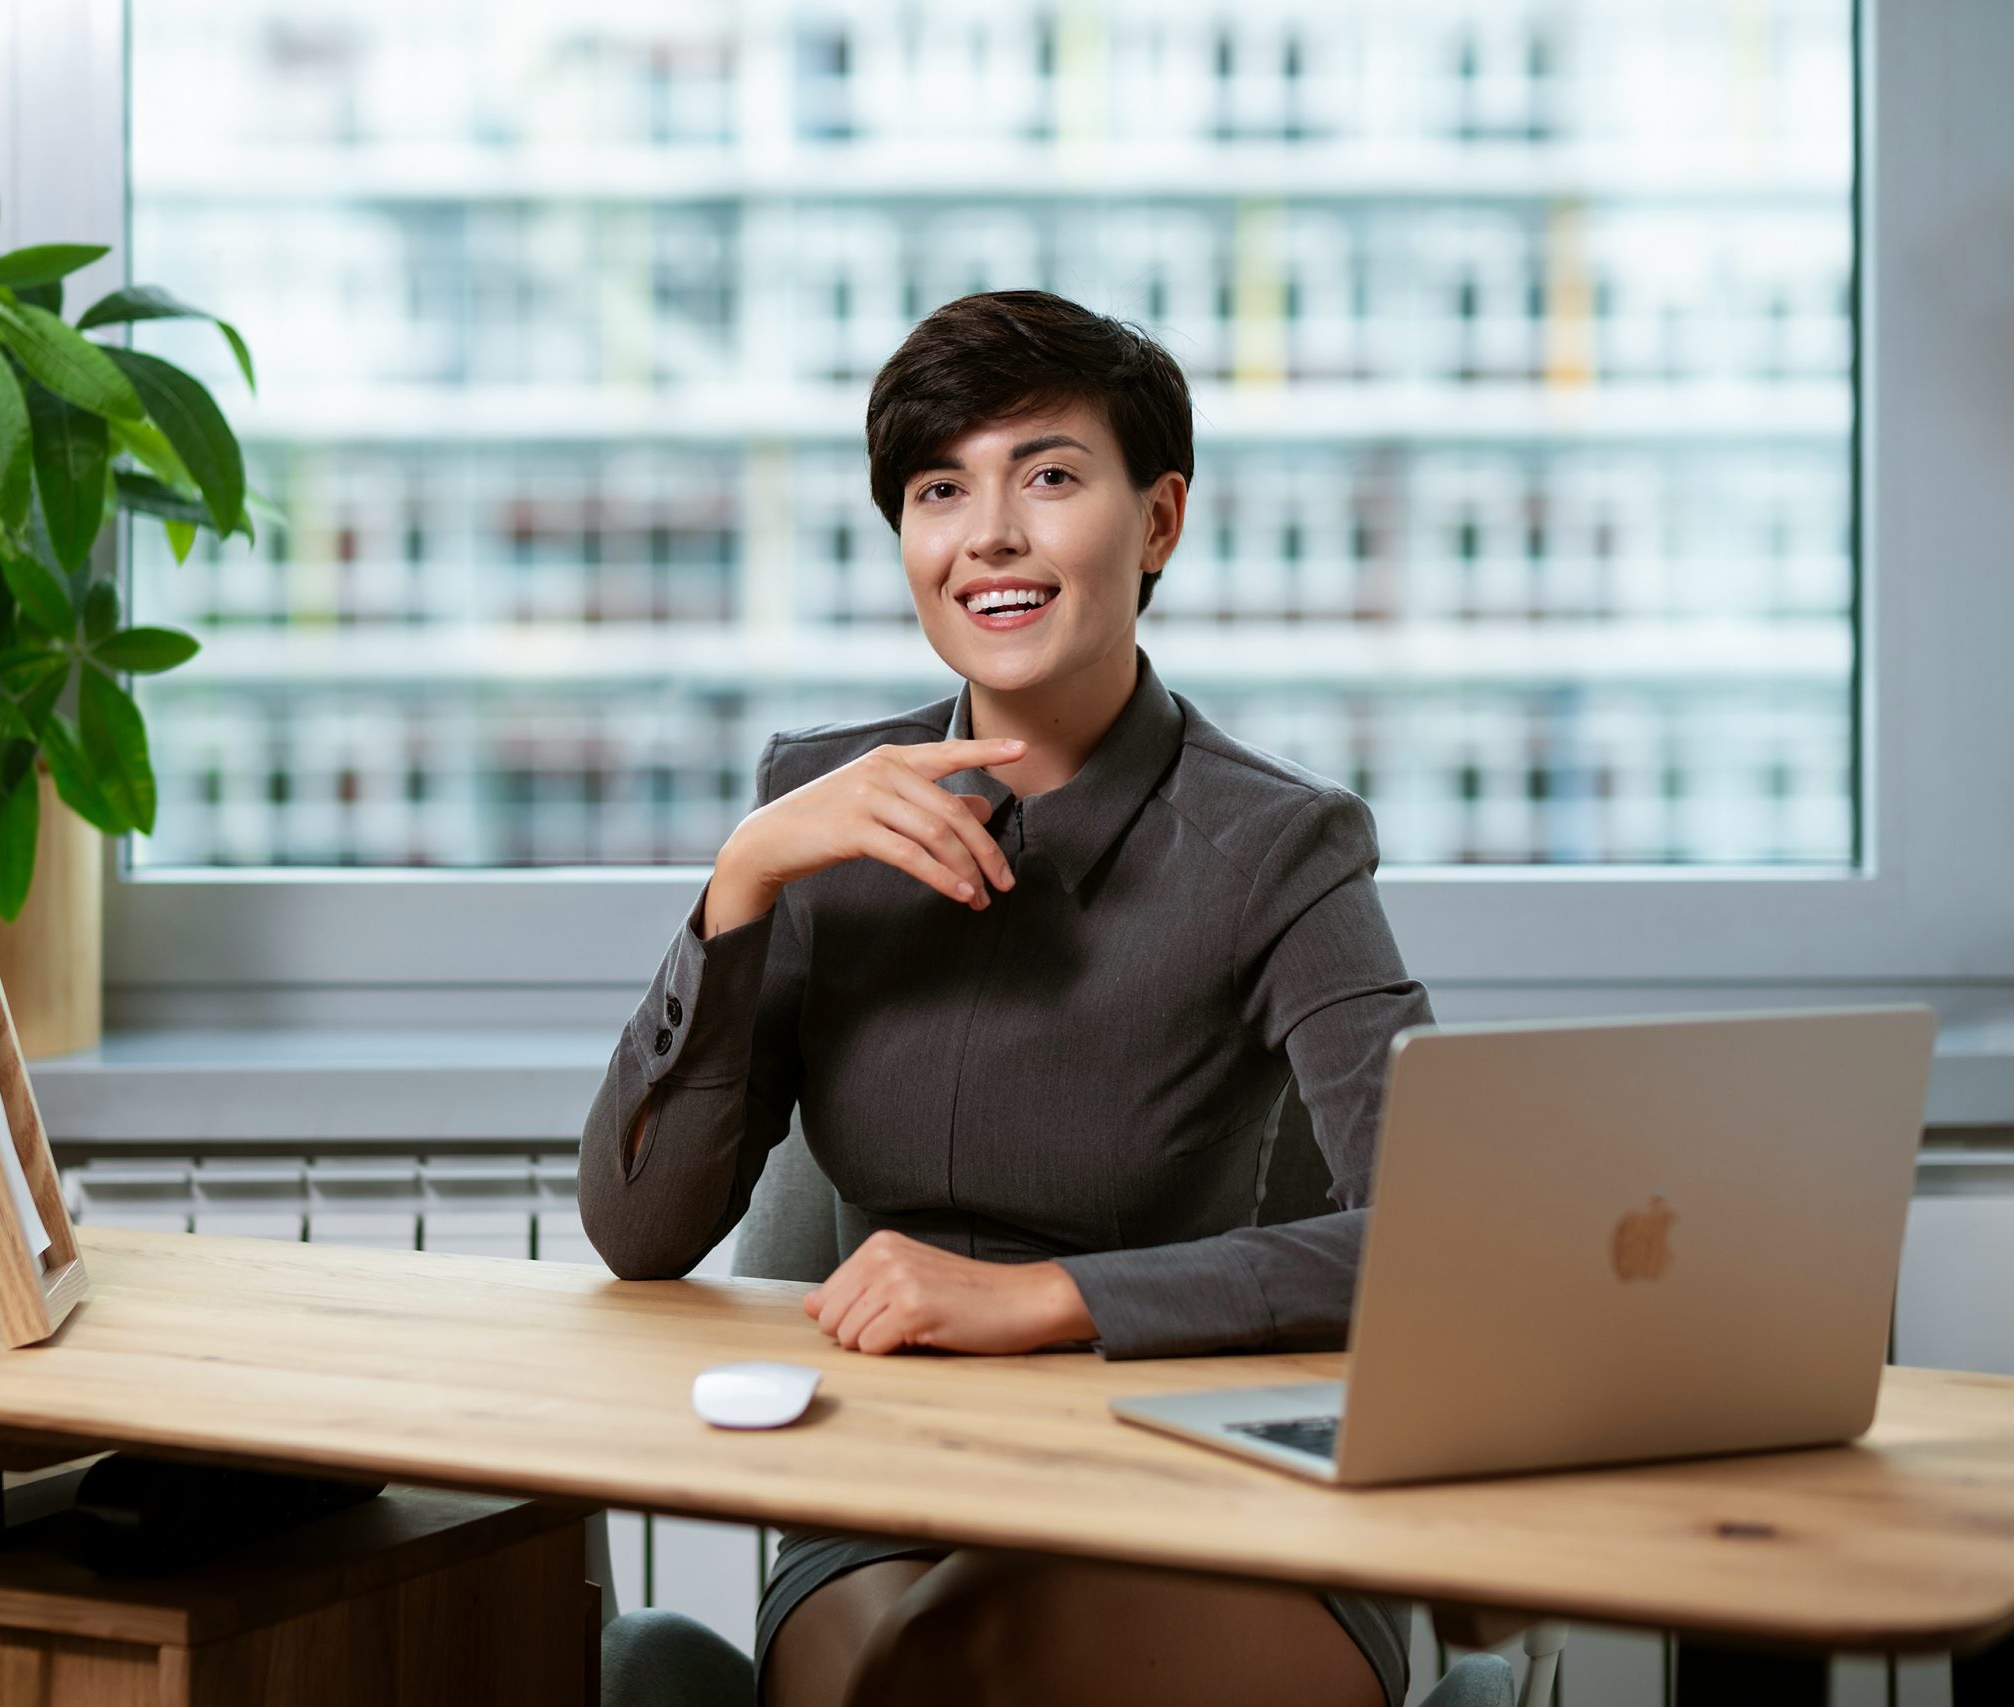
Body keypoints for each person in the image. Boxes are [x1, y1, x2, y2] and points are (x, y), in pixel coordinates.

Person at [578, 289, 1429, 1707]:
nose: (990, 538)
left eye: (1047, 476)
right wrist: (740, 884)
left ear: (1156, 522)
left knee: (953, 1662)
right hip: (889, 1505)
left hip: (1207, 1486)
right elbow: (640, 1230)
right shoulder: (822, 813)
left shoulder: (1278, 846)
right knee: (913, 1660)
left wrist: (1045, 1298)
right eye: (938, 489)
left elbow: (1436, 1245)